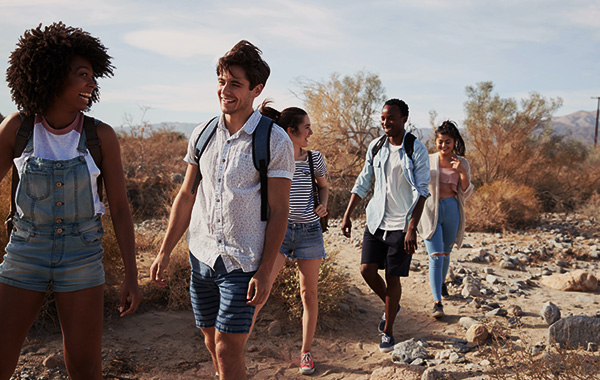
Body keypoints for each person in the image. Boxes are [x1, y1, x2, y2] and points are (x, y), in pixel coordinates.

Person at [0, 23, 141, 380]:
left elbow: (121, 210)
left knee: (84, 367)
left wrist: (131, 275)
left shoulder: (100, 136)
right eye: (82, 75)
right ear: (50, 73)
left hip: (82, 255)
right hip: (25, 252)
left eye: (93, 77)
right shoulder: (17, 128)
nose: (91, 84)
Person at [150, 41, 294, 380]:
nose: (224, 90)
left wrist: (264, 271)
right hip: (201, 255)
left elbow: (279, 210)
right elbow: (186, 195)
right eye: (221, 80)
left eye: (234, 83)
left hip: (243, 261)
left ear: (256, 90)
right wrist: (164, 250)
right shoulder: (202, 134)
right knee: (211, 339)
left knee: (229, 348)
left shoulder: (274, 140)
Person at [341, 99, 430, 353]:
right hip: (376, 220)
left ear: (404, 119)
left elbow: (423, 191)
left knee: (393, 277)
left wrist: (412, 227)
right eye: (382, 118)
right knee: (367, 270)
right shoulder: (376, 146)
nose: (385, 122)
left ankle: (388, 331)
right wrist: (348, 214)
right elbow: (363, 181)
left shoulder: (415, 149)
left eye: (391, 117)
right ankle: (393, 305)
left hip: (401, 225)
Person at [257, 103, 328, 375]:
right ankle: (235, 347)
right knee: (261, 288)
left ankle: (306, 353)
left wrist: (323, 205)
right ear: (291, 131)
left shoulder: (314, 159)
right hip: (280, 232)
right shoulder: (273, 158)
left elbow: (323, 188)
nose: (310, 132)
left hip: (310, 232)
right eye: (306, 127)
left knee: (308, 294)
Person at [418, 121, 473, 318]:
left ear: (454, 142)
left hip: (452, 210)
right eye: (440, 142)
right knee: (435, 256)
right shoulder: (427, 159)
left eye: (448, 142)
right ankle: (437, 303)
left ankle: (442, 283)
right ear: (436, 141)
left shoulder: (462, 162)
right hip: (430, 211)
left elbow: (465, 192)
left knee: (446, 252)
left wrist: (462, 172)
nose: (443, 146)